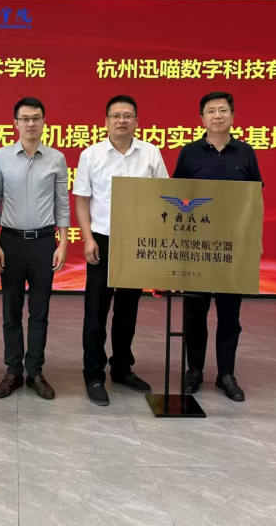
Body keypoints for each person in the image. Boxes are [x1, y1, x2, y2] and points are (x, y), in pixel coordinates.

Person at [73, 95, 169, 406]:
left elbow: (164, 195)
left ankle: (122, 368)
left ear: (137, 121)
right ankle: (93, 374)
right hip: (102, 241)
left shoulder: (150, 153)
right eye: (116, 115)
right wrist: (88, 239)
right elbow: (82, 200)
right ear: (106, 122)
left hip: (136, 242)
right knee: (96, 312)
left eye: (128, 115)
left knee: (128, 311)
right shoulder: (91, 155)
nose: (122, 120)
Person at [173, 91, 264, 402]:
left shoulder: (246, 153)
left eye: (223, 110)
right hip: (196, 247)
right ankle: (194, 370)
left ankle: (226, 373)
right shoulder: (189, 153)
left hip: (233, 248)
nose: (217, 115)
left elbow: (255, 199)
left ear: (232, 116)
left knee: (229, 316)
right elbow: (177, 198)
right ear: (202, 119)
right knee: (194, 314)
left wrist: (255, 239)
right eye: (210, 111)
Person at [0, 97, 70, 400]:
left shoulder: (56, 158)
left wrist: (63, 242)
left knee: (39, 312)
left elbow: (62, 203)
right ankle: (13, 371)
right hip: (10, 242)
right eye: (25, 118)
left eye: (36, 118)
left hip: (44, 243)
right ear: (15, 123)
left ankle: (35, 372)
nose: (31, 123)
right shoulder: (1, 156)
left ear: (44, 122)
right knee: (11, 310)